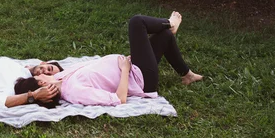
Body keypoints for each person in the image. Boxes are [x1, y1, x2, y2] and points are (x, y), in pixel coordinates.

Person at [13, 13, 203, 107]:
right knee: (137, 23)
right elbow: (119, 99)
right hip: (141, 78)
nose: (44, 74)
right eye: (41, 77)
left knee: (164, 37)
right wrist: (125, 69)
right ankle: (170, 24)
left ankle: (187, 75)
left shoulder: (63, 77)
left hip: (134, 67)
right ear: (42, 86)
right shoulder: (73, 92)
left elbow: (45, 67)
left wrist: (30, 68)